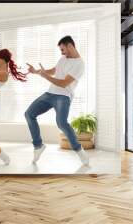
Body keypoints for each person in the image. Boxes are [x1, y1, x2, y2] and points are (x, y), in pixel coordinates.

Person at [25, 36, 89, 166]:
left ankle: (79, 150)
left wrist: (45, 76)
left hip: (63, 96)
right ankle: (38, 146)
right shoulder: (63, 59)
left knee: (61, 123)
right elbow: (53, 71)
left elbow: (64, 83)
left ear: (70, 46)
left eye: (62, 49)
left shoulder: (79, 64)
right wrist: (36, 72)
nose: (62, 52)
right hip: (50, 93)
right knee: (29, 114)